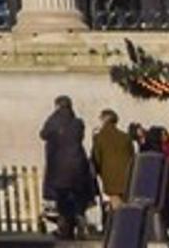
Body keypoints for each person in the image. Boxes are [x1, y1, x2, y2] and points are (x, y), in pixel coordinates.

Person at [39, 96, 91, 240]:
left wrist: (54, 116)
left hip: (59, 169)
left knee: (62, 201)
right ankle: (79, 225)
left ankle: (65, 230)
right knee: (77, 200)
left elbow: (43, 134)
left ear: (57, 106)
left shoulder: (54, 121)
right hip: (78, 167)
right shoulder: (78, 123)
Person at [90, 108, 133, 224]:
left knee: (114, 205)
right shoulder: (125, 137)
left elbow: (96, 158)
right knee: (125, 204)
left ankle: (116, 226)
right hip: (126, 177)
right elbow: (132, 156)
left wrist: (96, 172)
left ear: (104, 120)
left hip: (109, 178)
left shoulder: (99, 137)